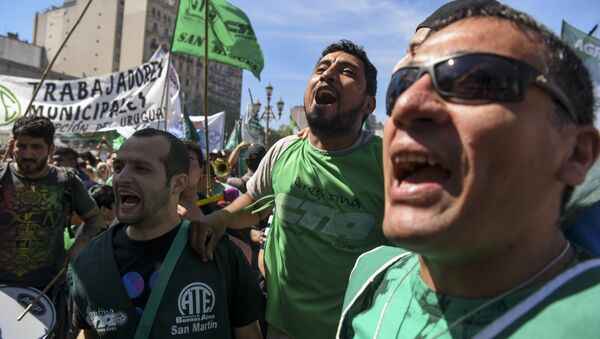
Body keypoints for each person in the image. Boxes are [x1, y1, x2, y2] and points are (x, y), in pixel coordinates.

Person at [337, 4, 600, 338]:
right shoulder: (371, 277)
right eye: (402, 86)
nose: (405, 108)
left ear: (575, 154)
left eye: (475, 81)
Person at [191, 40, 386, 339]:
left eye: (347, 71)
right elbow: (254, 201)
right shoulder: (284, 149)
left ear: (368, 105)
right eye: (321, 68)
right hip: (280, 327)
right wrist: (223, 217)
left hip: (355, 331)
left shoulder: (387, 163)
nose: (328, 74)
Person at [68, 128, 263, 338]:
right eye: (118, 167)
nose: (121, 178)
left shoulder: (220, 254)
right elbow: (87, 333)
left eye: (141, 168)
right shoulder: (87, 263)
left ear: (177, 183)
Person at [0, 115, 104, 337]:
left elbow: (95, 219)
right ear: (13, 145)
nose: (28, 154)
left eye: (36, 147)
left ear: (50, 148)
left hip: (47, 290)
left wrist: (78, 246)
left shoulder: (66, 180)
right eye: (22, 146)